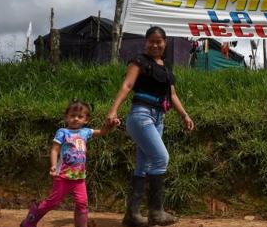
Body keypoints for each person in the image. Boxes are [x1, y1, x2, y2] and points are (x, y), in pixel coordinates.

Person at [106, 26, 194, 227]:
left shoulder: (166, 66)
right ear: (146, 42)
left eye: (159, 41)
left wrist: (185, 115)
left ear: (165, 43)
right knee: (161, 157)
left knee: (143, 165)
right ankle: (156, 212)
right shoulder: (139, 61)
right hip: (141, 115)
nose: (155, 45)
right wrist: (113, 111)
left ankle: (132, 215)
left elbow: (172, 95)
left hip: (159, 118)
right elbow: (127, 86)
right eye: (151, 41)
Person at [20, 99, 117, 227]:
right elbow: (55, 150)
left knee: (82, 202)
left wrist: (110, 125)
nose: (76, 119)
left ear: (86, 119)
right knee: (52, 202)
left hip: (79, 177)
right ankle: (29, 222)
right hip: (63, 176)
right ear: (66, 117)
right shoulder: (62, 132)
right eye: (72, 115)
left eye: (80, 116)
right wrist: (53, 166)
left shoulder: (86, 132)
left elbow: (103, 132)